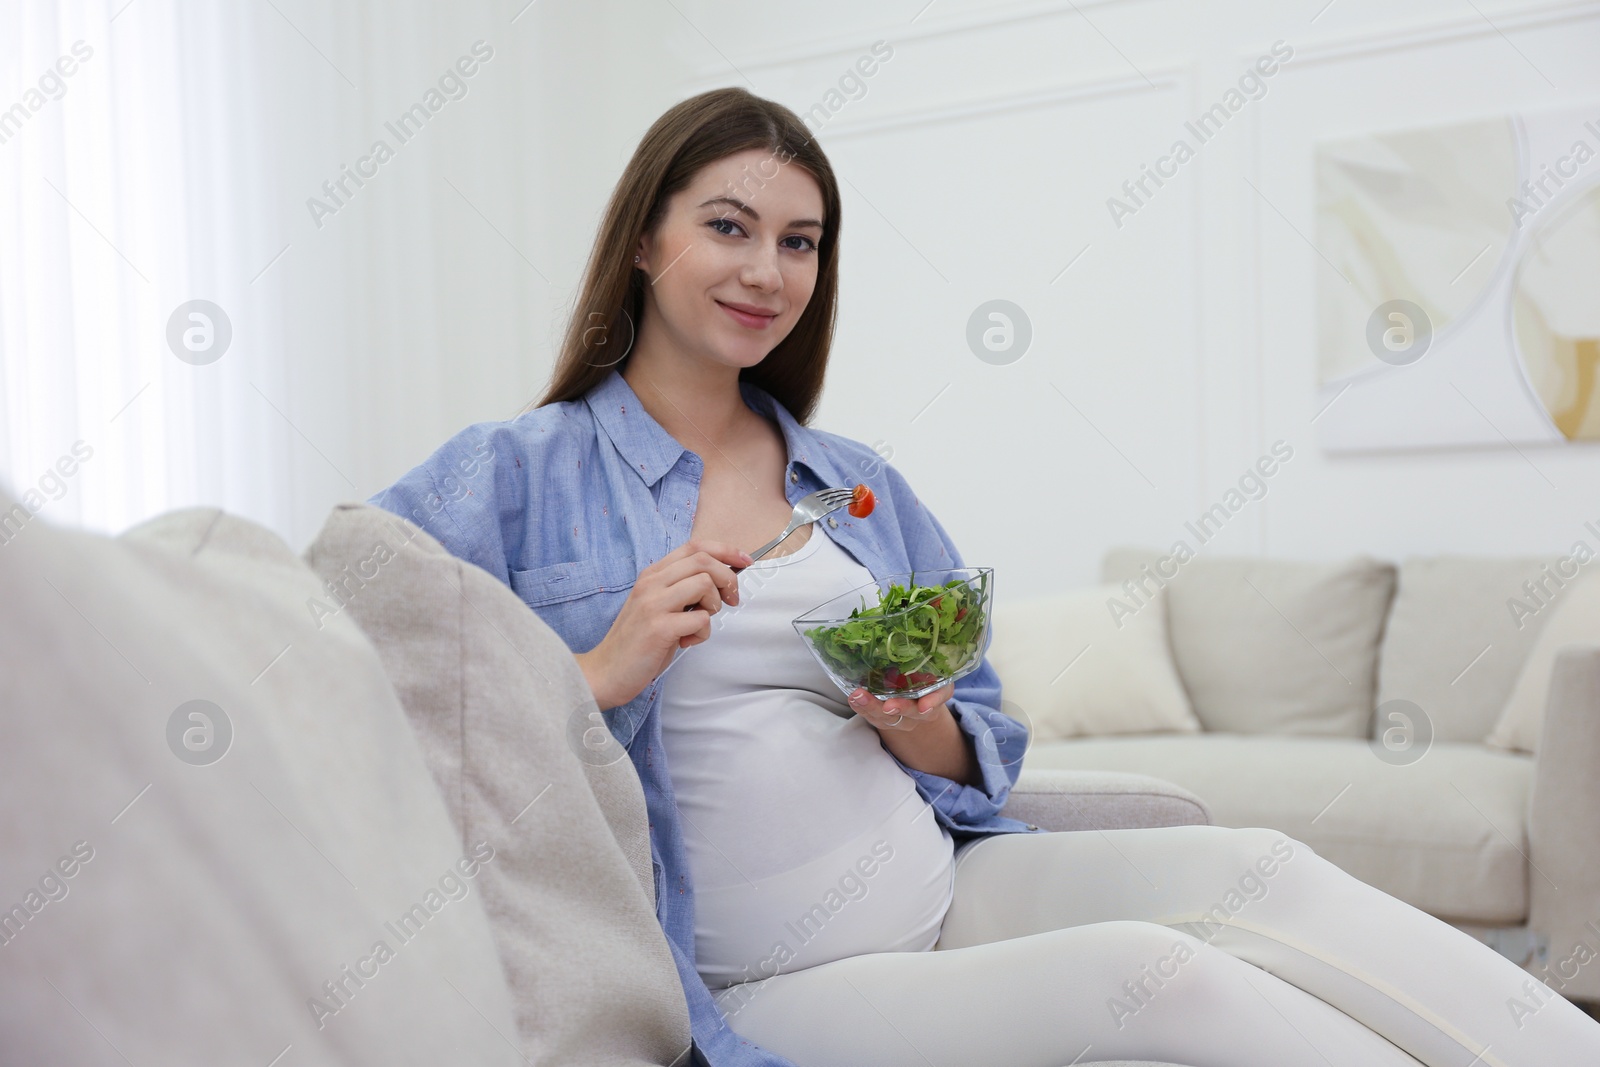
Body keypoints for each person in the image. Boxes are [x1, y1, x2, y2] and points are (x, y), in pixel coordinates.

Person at [368, 86, 1600, 1067]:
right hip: (764, 981)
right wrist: (593, 670)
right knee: (1173, 980)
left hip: (950, 882)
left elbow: (981, 733)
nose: (767, 271)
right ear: (645, 236)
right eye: (728, 226)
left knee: (1260, 870)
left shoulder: (850, 481)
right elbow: (356, 677)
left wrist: (919, 724)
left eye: (800, 242)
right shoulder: (516, 472)